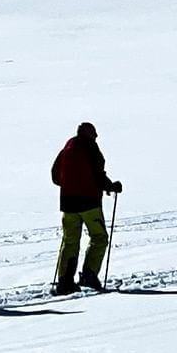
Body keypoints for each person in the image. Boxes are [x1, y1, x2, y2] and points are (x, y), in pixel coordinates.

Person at [51, 122, 122, 295]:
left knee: (70, 241)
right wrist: (111, 187)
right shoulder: (91, 149)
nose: (96, 137)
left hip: (68, 203)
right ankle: (89, 275)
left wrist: (69, 185)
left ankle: (64, 281)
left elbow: (55, 175)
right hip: (89, 203)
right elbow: (98, 175)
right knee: (99, 237)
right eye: (94, 134)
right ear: (89, 135)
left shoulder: (66, 149)